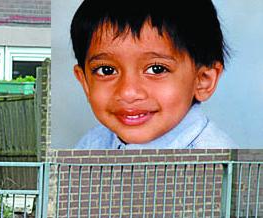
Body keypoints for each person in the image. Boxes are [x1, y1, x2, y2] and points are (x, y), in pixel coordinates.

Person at [71, 0, 237, 149]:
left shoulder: (216, 161)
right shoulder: (92, 144)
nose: (128, 93)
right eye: (106, 70)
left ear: (203, 80)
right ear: (85, 82)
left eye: (156, 69)